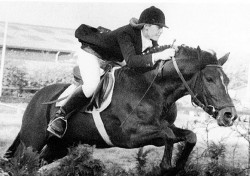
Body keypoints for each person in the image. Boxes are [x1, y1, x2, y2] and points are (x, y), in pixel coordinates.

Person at [47, 6, 176, 138]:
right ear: (147, 26)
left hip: (112, 59)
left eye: (162, 28)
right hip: (93, 53)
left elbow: (147, 63)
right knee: (92, 85)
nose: (161, 31)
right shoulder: (126, 33)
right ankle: (60, 116)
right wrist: (159, 56)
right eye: (159, 27)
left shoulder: (151, 40)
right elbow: (132, 61)